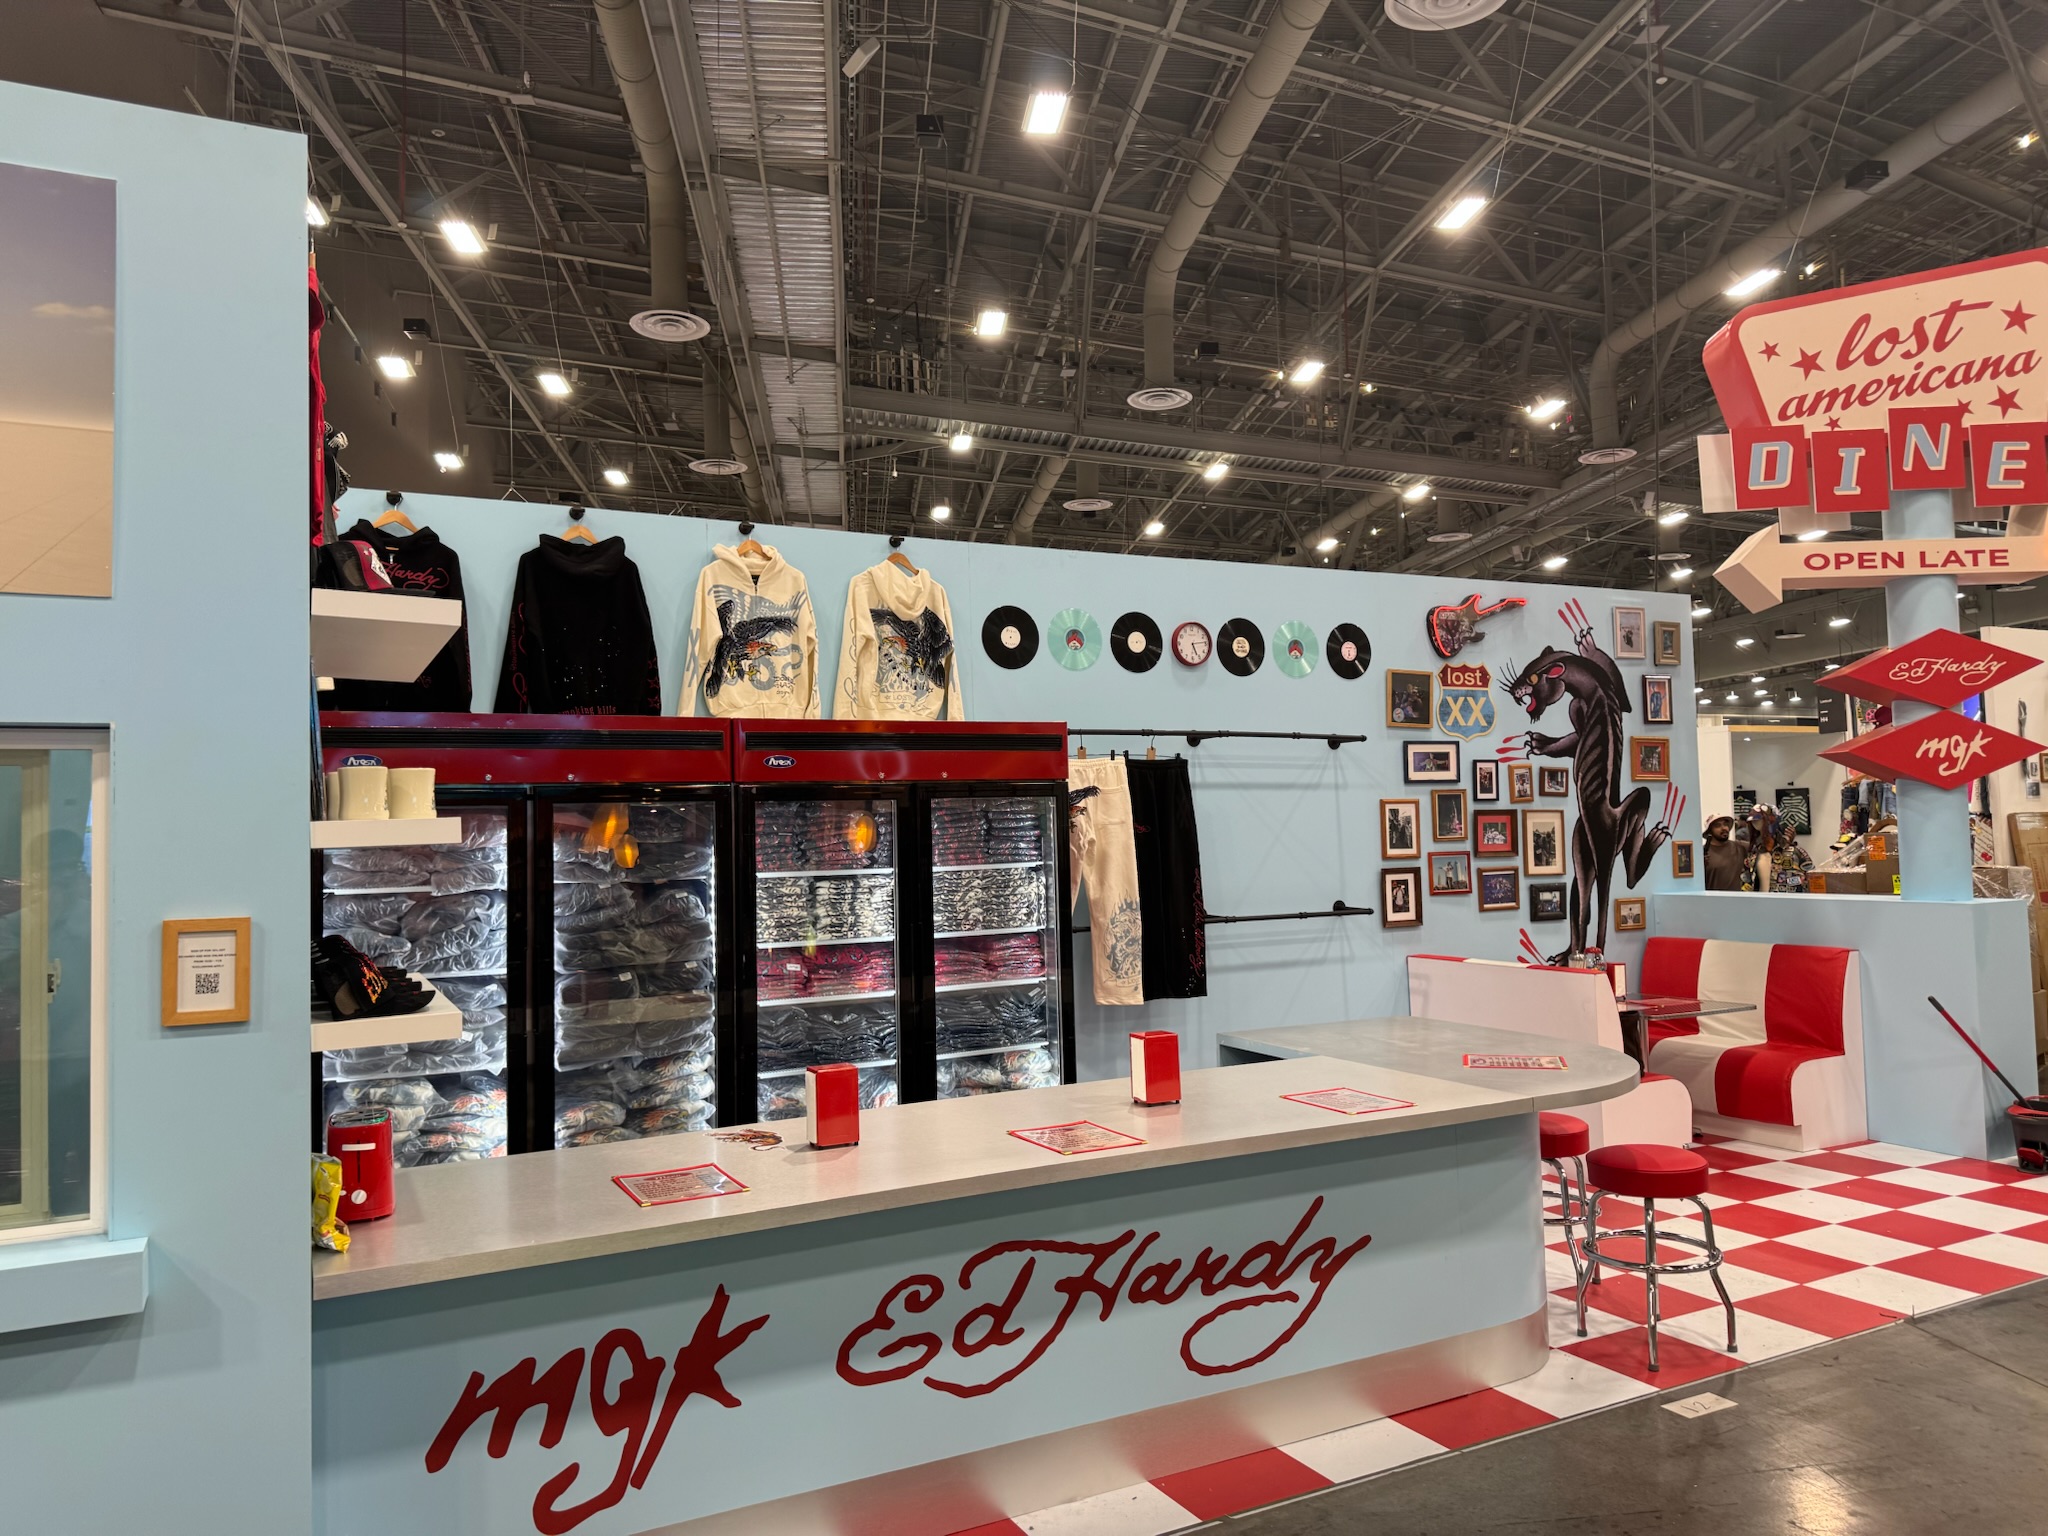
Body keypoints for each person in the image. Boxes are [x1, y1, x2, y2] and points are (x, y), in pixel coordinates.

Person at [1741, 805, 1812, 893]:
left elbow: (1811, 879)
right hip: (1759, 900)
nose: (1756, 825)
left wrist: (1791, 882)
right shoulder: (1753, 853)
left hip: (1789, 899)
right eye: (1753, 823)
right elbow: (1746, 882)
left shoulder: (1795, 852)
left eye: (1759, 822)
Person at [1703, 815, 1744, 891]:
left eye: (1725, 824)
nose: (1724, 828)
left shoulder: (1739, 847)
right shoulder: (1703, 852)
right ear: (1710, 831)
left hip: (1737, 898)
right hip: (1713, 897)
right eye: (1717, 825)